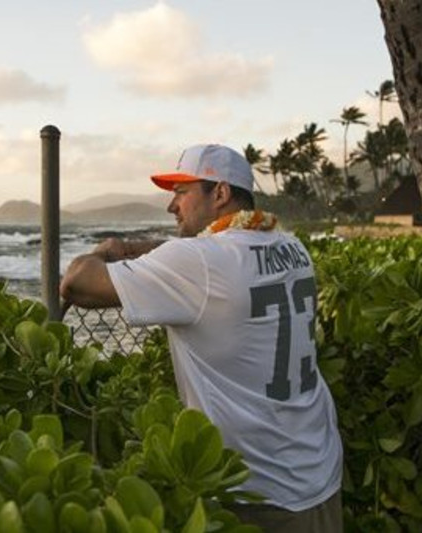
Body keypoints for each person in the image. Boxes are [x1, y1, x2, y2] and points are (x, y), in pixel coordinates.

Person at [60, 144, 342, 532]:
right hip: (319, 469)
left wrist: (106, 251)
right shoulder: (290, 245)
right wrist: (133, 250)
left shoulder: (202, 264)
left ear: (220, 194)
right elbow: (198, 255)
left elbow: (75, 285)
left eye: (181, 192)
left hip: (255, 492)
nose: (171, 206)